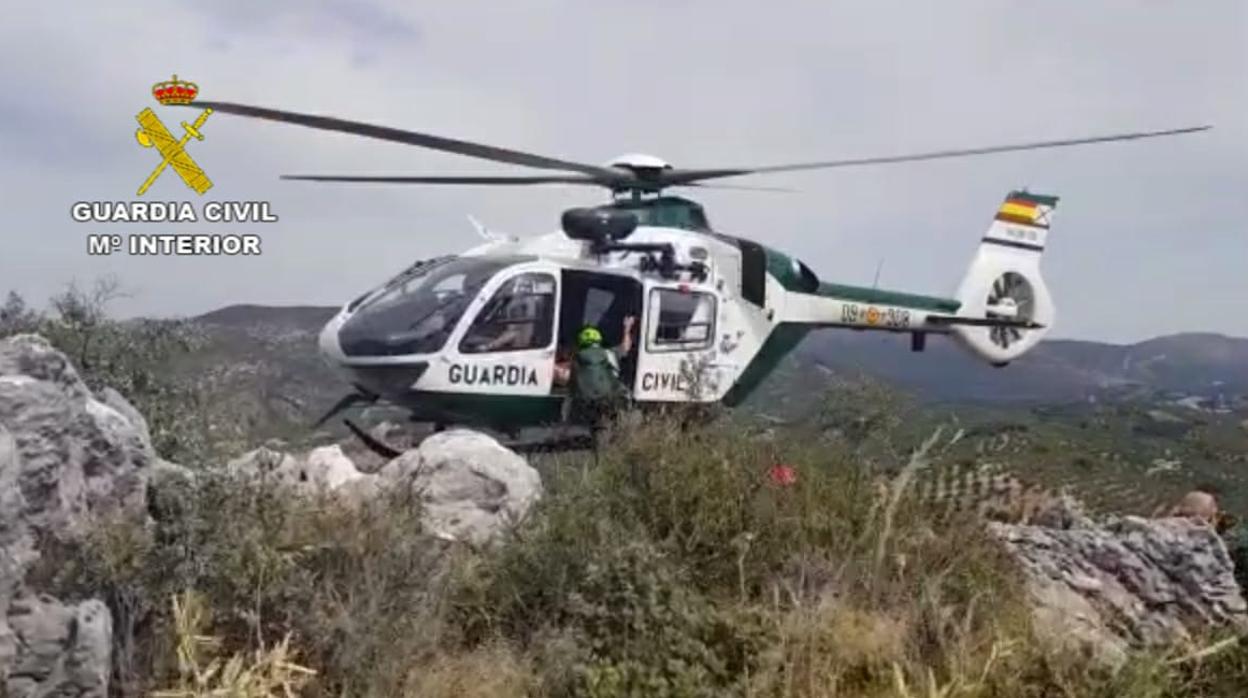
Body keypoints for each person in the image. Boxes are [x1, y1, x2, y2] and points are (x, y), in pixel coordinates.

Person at [563, 316, 636, 439]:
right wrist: (627, 328)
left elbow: (569, 380)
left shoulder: (576, 358)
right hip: (609, 396)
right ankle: (620, 431)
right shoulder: (609, 353)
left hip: (586, 400)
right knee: (625, 397)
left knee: (592, 420)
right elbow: (625, 347)